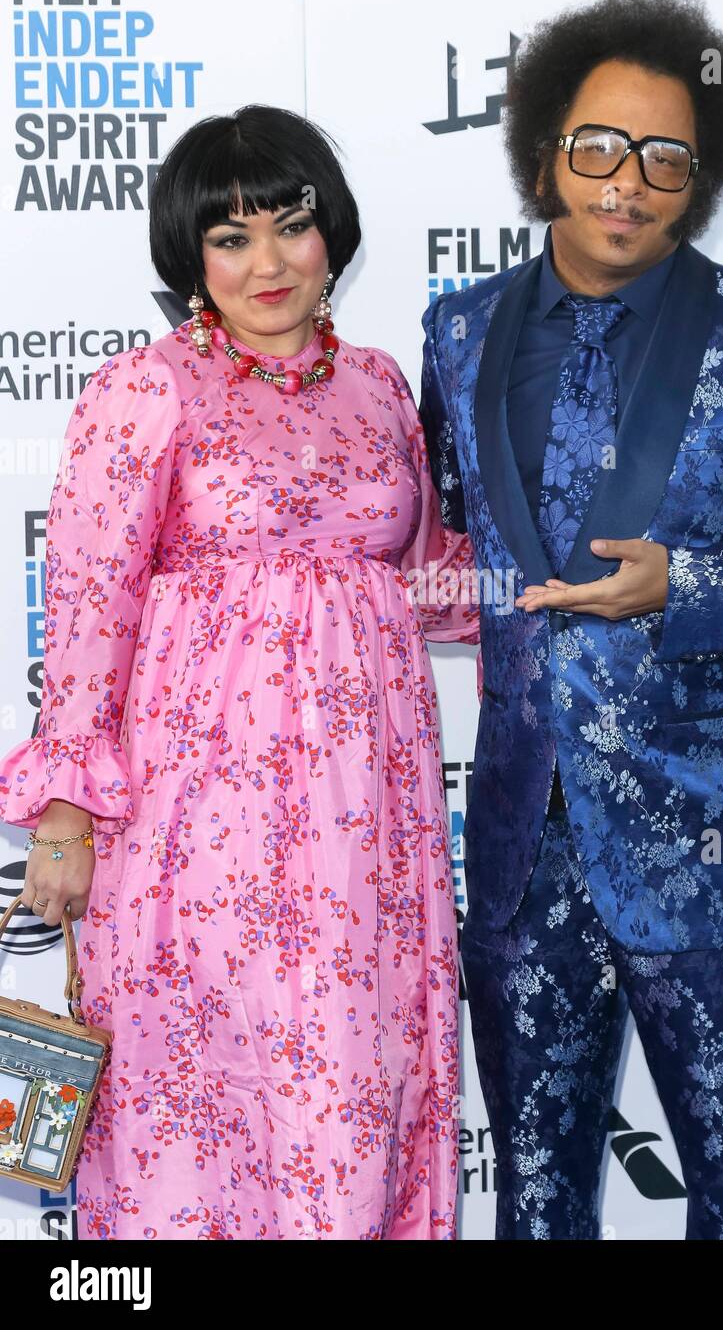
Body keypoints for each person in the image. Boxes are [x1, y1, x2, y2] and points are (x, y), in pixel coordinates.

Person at [419, 0, 723, 1240]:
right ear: (543, 157)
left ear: (701, 177)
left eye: (663, 159)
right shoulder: (458, 331)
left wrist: (688, 584)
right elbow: (457, 537)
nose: (624, 183)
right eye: (596, 149)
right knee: (533, 1197)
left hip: (716, 850)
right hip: (524, 848)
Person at [0, 104, 478, 1240]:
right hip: (194, 828)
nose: (267, 262)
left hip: (368, 829)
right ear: (191, 257)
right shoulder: (145, 390)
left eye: (290, 226)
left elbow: (434, 581)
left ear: (333, 233)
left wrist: (582, 584)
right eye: (230, 237)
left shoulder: (377, 388)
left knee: (354, 1080)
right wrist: (63, 818)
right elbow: (85, 613)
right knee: (195, 1094)